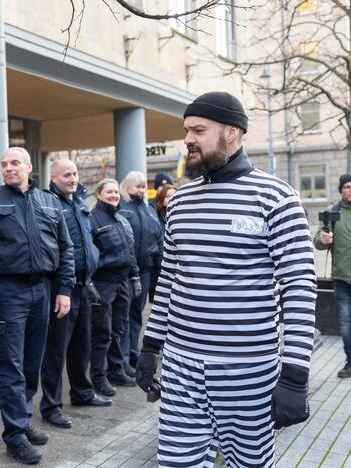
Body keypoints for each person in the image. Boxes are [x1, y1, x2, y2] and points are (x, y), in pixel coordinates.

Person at [137, 91, 316, 467]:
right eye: (186, 130)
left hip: (249, 370)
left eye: (199, 130)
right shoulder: (180, 202)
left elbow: (299, 288)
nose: (187, 139)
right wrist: (151, 346)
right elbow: (168, 278)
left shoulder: (276, 198)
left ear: (232, 132)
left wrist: (295, 375)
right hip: (182, 366)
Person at [0, 147, 75, 465]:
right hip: (8, 291)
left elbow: (65, 248)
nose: (8, 168)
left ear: (29, 166)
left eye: (15, 163)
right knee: (10, 365)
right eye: (3, 164)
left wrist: (63, 290)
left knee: (31, 363)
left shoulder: (49, 201)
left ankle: (22, 418)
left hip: (42, 290)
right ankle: (14, 435)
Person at [39, 159, 109, 430]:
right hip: (62, 290)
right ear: (54, 178)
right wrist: (62, 287)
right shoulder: (49, 204)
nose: (73, 178)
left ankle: (82, 392)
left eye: (75, 174)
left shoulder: (78, 204)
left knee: (83, 344)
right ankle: (51, 406)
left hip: (83, 285)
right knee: (56, 350)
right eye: (67, 174)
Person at [89, 178, 140, 396]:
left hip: (123, 281)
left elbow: (130, 250)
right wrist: (91, 281)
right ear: (98, 194)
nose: (113, 196)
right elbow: (90, 255)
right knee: (102, 331)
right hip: (103, 282)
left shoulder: (121, 218)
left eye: (116, 193)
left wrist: (135, 275)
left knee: (119, 327)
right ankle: (99, 376)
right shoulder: (92, 220)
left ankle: (116, 369)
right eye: (109, 192)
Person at [118, 171, 162, 374]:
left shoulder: (148, 209)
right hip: (125, 272)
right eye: (137, 186)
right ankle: (123, 358)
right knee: (123, 317)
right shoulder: (121, 207)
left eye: (144, 186)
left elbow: (157, 238)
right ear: (127, 187)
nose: (141, 190)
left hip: (144, 271)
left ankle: (133, 353)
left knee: (136, 314)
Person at [314, 173, 351, 379]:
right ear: (340, 190)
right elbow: (317, 241)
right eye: (347, 186)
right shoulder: (332, 212)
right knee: (345, 324)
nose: (350, 190)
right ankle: (350, 362)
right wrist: (323, 239)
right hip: (342, 278)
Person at [149, 183, 177, 302]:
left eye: (174, 196)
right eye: (167, 196)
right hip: (158, 266)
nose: (171, 198)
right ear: (161, 198)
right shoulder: (154, 215)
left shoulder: (179, 215)